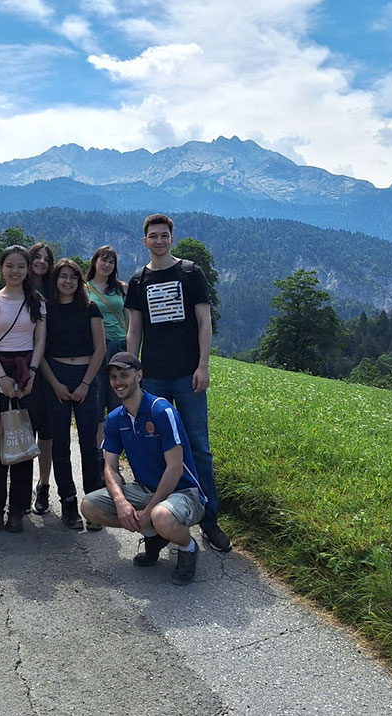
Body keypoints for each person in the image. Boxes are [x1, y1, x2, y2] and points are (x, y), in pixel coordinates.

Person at [125, 214, 231, 552]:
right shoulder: (139, 280)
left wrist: (203, 366)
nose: (158, 240)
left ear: (172, 238)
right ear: (145, 241)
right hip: (153, 376)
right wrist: (132, 370)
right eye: (153, 236)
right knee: (154, 449)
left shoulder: (190, 273)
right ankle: (157, 528)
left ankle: (209, 520)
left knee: (199, 447)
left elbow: (204, 322)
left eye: (164, 235)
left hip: (188, 375)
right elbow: (134, 330)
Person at [80, 352, 206, 585]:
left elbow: (175, 468)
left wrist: (148, 511)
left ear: (139, 376)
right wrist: (121, 503)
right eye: (114, 376)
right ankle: (154, 534)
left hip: (183, 492)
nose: (118, 382)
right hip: (144, 489)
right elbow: (110, 468)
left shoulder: (161, 410)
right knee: (89, 506)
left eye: (125, 375)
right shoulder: (116, 419)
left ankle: (187, 547)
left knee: (160, 516)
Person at [0, 246, 46, 532]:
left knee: (23, 443)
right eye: (9, 266)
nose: (15, 271)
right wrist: (3, 378)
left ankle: (17, 509)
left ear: (28, 269)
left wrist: (30, 373)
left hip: (27, 373)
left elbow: (40, 340)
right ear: (1, 268)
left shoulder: (36, 301)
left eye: (20, 266)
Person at [38, 259, 105, 529]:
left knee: (90, 444)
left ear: (79, 281)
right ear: (55, 281)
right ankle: (67, 501)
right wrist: (55, 383)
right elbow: (40, 351)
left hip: (86, 377)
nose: (67, 281)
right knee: (60, 444)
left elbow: (100, 349)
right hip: (56, 375)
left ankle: (94, 505)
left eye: (73, 277)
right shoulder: (47, 309)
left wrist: (85, 384)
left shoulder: (90, 308)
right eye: (62, 276)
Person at [85, 244, 128, 462]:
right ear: (94, 261)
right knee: (97, 401)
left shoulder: (121, 288)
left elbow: (129, 319)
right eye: (103, 259)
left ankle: (115, 455)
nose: (107, 264)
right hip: (96, 347)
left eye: (111, 262)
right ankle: (99, 457)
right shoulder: (84, 289)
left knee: (119, 403)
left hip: (119, 347)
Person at [27, 241, 55, 514]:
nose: (42, 262)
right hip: (22, 366)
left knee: (45, 433)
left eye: (47, 258)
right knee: (21, 429)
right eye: (37, 257)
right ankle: (21, 487)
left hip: (49, 368)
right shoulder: (17, 289)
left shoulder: (54, 290)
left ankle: (43, 485)